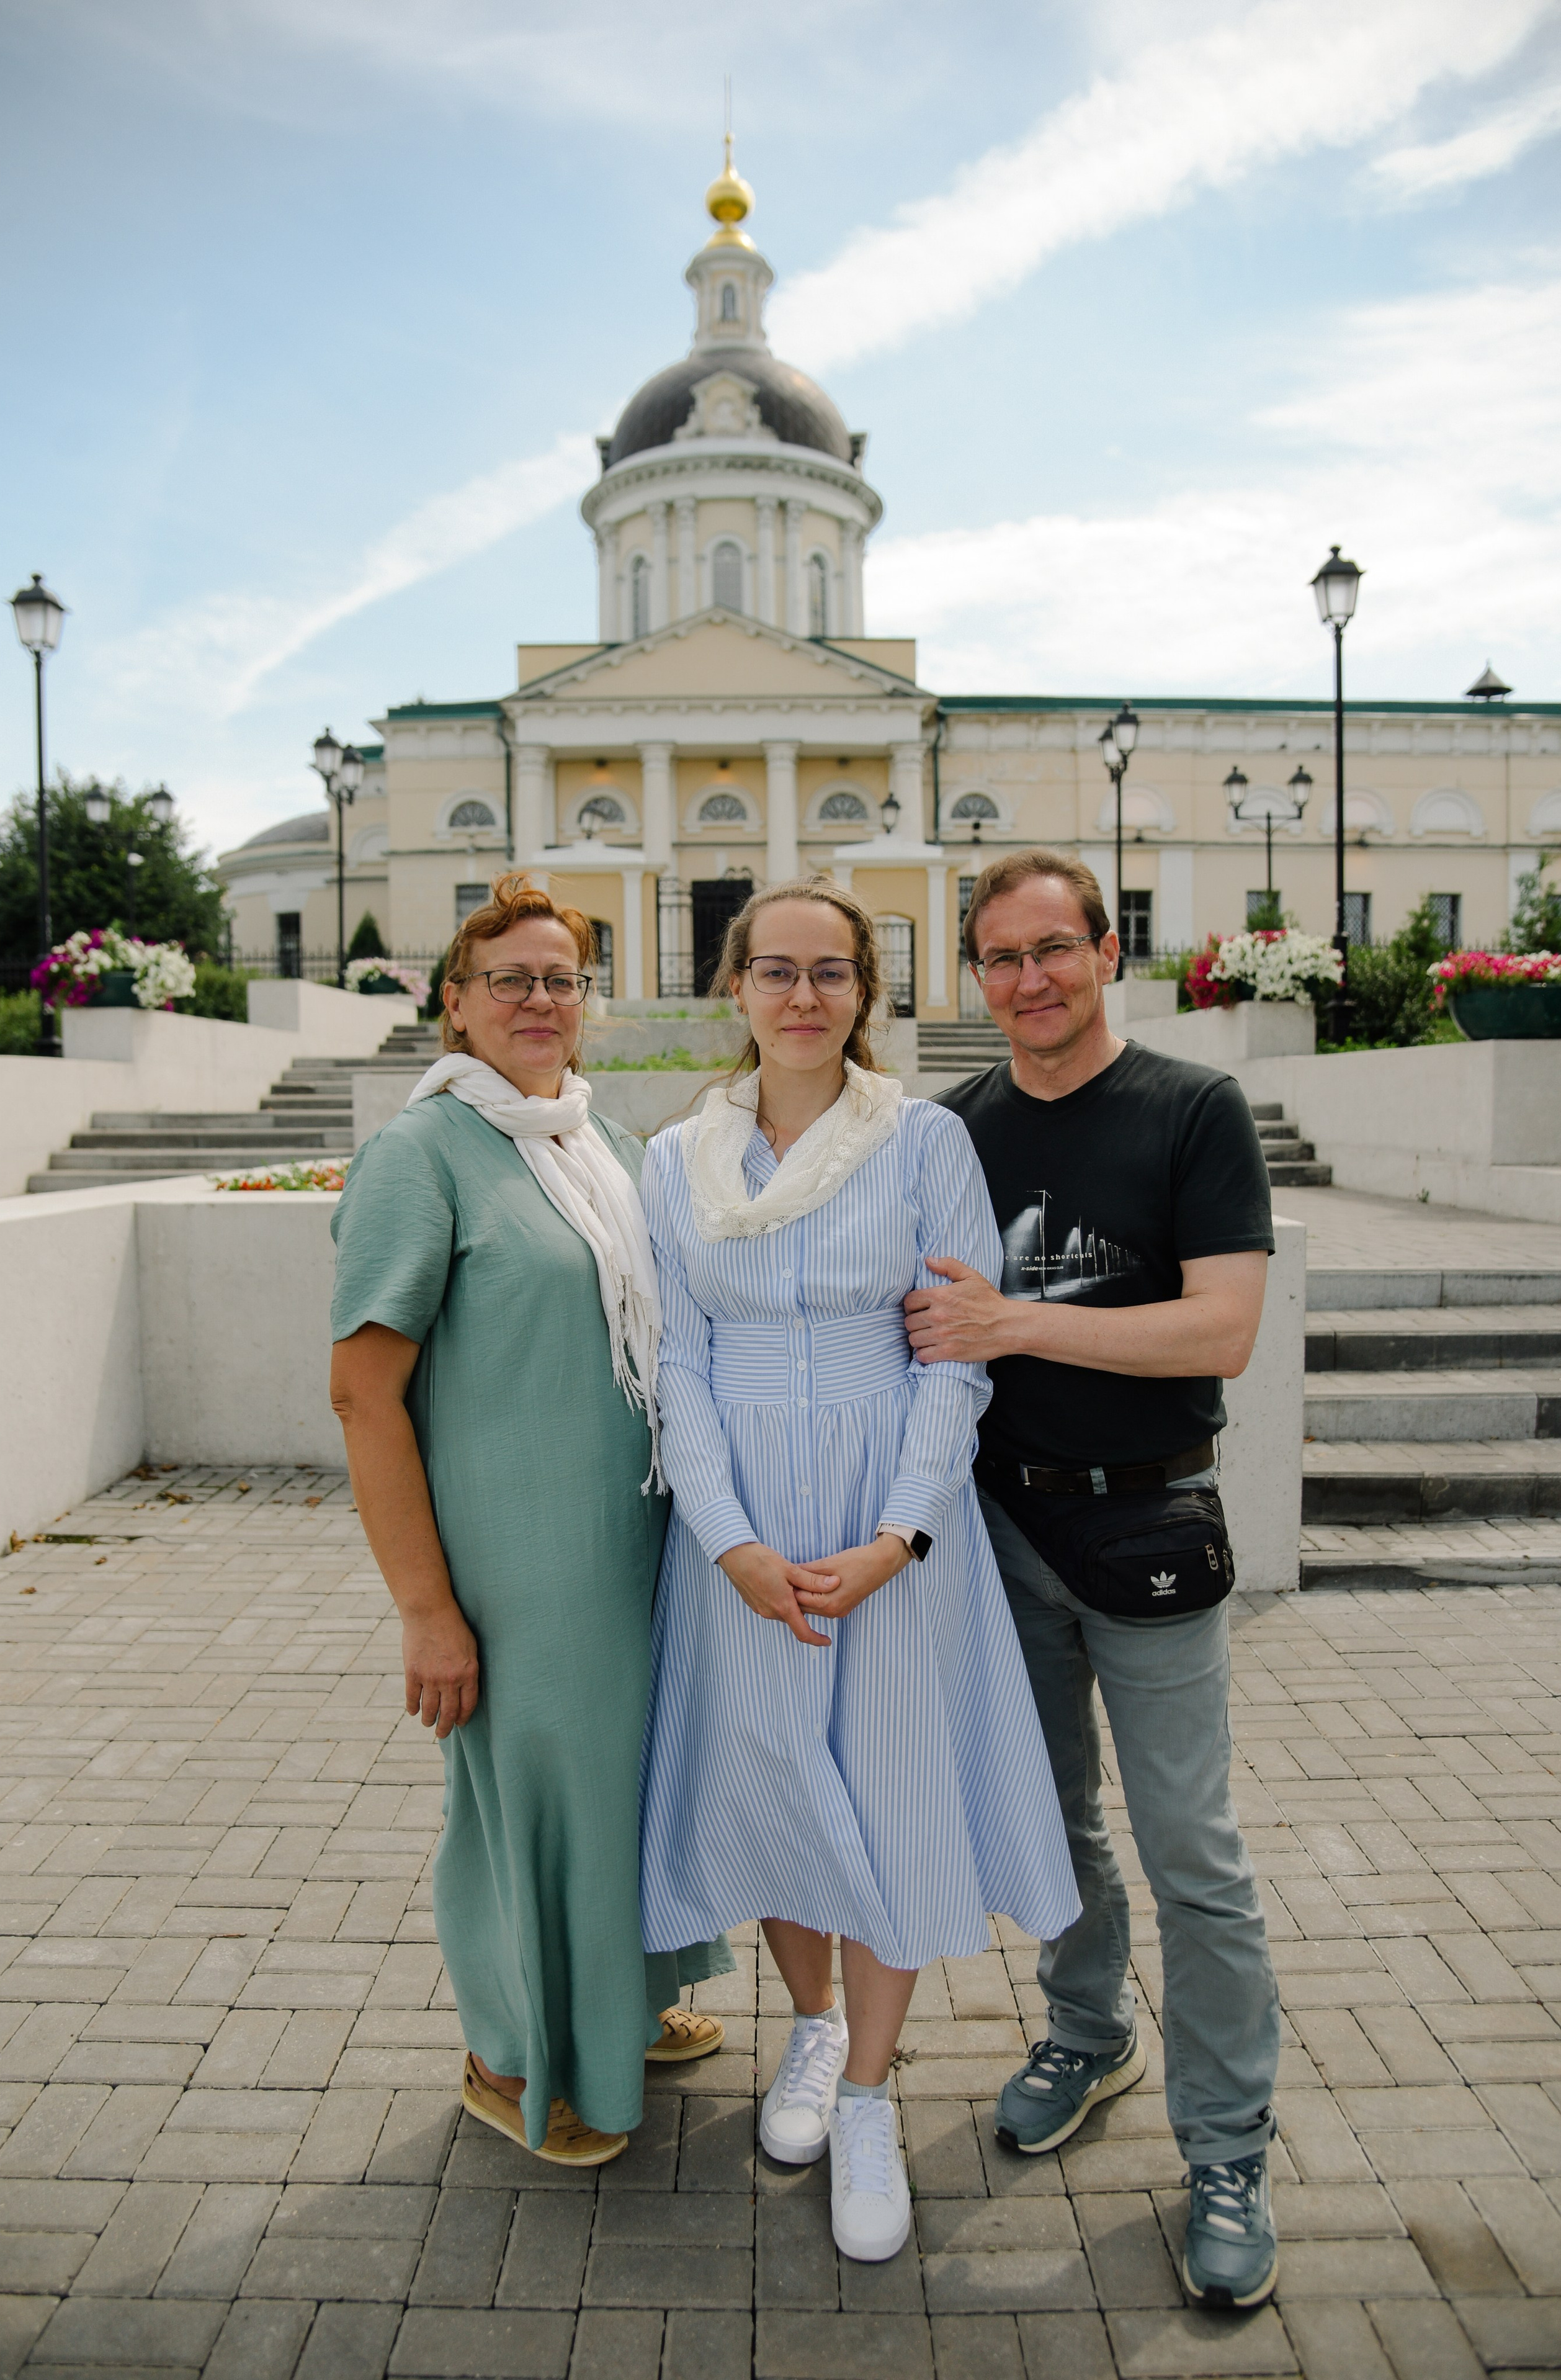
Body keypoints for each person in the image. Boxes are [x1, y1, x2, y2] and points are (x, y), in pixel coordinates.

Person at [638, 878, 1080, 2265]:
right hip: (745, 1514)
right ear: (736, 986)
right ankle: (814, 2029)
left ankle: (874, 2096)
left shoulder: (922, 1140)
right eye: (776, 970)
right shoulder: (674, 1159)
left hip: (891, 1510)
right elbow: (679, 1368)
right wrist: (727, 1542)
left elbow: (954, 1350)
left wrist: (901, 1534)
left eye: (832, 973)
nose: (802, 996)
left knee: (886, 1788)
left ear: (866, 996)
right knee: (770, 1774)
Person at [905, 846, 1281, 2310]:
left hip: (1149, 1534)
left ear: (1104, 947)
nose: (1027, 980)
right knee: (1048, 1825)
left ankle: (1227, 2144)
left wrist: (1016, 1325)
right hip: (1001, 1536)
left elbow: (1218, 1331)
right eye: (997, 958)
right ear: (974, 975)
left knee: (1193, 1851)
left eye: (1050, 949)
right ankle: (1084, 2029)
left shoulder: (1190, 1109)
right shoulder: (954, 1129)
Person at [329, 874, 733, 2168]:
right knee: (525, 1806)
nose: (540, 1000)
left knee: (622, 1787)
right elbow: (361, 1391)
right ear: (454, 1003)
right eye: (509, 977)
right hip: (517, 1561)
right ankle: (512, 2057)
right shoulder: (421, 1153)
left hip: (631, 1545)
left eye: (561, 977)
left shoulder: (601, 1148)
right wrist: (425, 1607)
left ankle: (621, 2002)